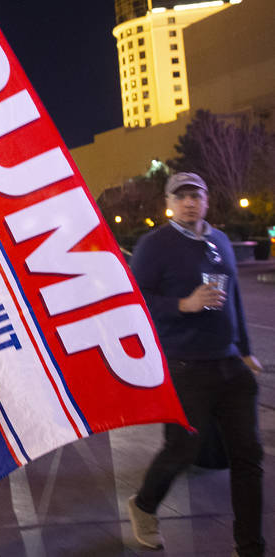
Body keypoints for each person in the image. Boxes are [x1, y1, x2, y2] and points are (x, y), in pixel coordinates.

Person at [126, 172, 263, 555]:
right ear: (169, 203)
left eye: (196, 195)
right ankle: (144, 505)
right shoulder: (154, 246)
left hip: (230, 364)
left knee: (248, 456)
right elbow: (135, 301)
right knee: (183, 448)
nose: (190, 202)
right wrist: (183, 305)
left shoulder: (219, 240)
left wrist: (246, 350)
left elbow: (233, 296)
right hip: (185, 366)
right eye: (181, 196)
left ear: (206, 200)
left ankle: (250, 545)